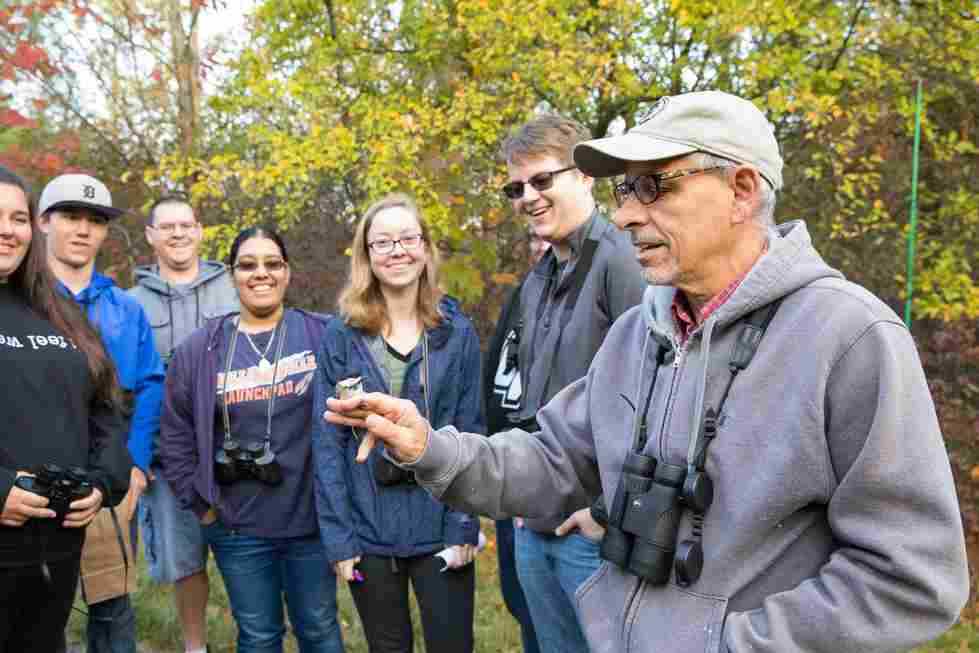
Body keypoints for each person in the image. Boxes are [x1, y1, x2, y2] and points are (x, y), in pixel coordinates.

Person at [326, 90, 971, 653]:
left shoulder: (851, 338)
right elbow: (554, 462)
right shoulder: (641, 330)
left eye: (654, 185)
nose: (629, 213)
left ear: (742, 191)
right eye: (624, 190)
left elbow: (909, 578)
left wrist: (727, 645)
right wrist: (427, 447)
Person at [497, 114, 646, 652]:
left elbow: (658, 397)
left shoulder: (624, 260)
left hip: (592, 529)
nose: (528, 197)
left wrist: (608, 512)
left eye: (542, 180)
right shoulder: (539, 277)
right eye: (516, 188)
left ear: (585, 174)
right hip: (535, 522)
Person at [160, 226, 344, 653]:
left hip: (311, 523)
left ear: (287, 272)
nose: (260, 274)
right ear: (232, 274)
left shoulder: (322, 334)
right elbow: (174, 435)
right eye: (247, 265)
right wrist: (203, 508)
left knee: (319, 629)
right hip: (237, 527)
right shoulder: (202, 348)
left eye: (272, 263)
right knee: (259, 636)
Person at [313, 193, 482, 653]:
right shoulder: (341, 336)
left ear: (426, 248)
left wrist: (463, 527)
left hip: (439, 520)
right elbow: (326, 444)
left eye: (408, 238)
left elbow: (472, 431)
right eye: (382, 242)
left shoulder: (456, 333)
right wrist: (340, 539)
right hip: (368, 529)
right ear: (367, 256)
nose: (397, 250)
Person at [0, 165, 131, 653]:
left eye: (17, 217)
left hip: (55, 551)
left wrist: (103, 481)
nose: (6, 230)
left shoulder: (57, 312)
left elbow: (108, 409)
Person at [37, 173, 165, 653]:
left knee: (111, 606)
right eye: (70, 216)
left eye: (95, 220)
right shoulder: (21, 302)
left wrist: (132, 465)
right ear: (44, 222)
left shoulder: (125, 309)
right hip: (36, 474)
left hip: (107, 477)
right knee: (35, 606)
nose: (83, 229)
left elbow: (150, 385)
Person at [129, 195, 238, 653]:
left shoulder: (234, 288)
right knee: (185, 564)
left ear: (199, 230)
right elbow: (123, 383)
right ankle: (196, 647)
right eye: (166, 226)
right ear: (151, 236)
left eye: (186, 225)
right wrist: (136, 455)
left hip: (235, 458)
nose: (177, 234)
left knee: (248, 557)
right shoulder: (130, 303)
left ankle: (258, 636)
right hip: (167, 460)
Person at [481, 229, 549, 653]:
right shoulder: (522, 298)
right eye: (535, 242)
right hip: (511, 477)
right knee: (523, 605)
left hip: (556, 484)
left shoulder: (592, 298)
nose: (542, 249)